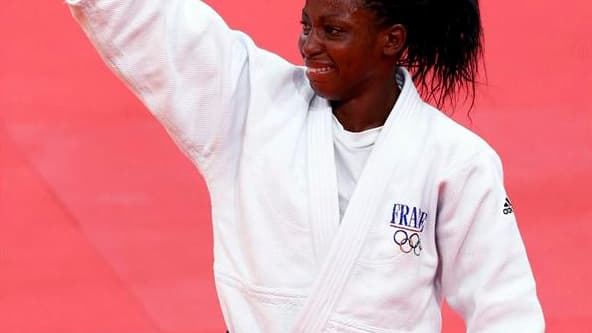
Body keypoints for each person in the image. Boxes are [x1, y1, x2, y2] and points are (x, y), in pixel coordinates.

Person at [66, 0, 545, 331]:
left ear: (391, 40)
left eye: (333, 31)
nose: (309, 45)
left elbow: (506, 310)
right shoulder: (249, 105)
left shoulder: (457, 161)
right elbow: (156, 23)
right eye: (306, 25)